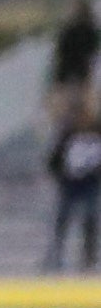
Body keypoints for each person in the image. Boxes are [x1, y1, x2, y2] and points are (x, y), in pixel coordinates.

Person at [49, 102, 101, 271]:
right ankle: (56, 253)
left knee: (90, 217)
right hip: (70, 183)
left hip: (89, 182)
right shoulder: (68, 135)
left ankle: (89, 255)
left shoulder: (96, 133)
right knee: (63, 218)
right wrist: (60, 175)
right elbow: (55, 158)